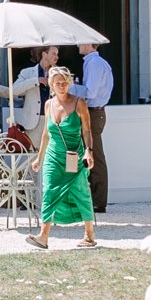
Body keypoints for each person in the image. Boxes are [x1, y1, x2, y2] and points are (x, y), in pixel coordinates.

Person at [29, 60, 97, 249]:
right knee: (49, 191)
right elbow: (46, 133)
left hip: (75, 155)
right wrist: (39, 158)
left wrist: (89, 152)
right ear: (51, 84)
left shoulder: (79, 103)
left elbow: (87, 131)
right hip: (53, 156)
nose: (62, 85)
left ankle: (89, 235)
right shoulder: (49, 104)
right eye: (58, 82)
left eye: (65, 82)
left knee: (81, 192)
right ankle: (43, 236)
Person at [79, 39, 114, 211]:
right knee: (92, 154)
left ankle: (98, 202)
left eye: (80, 41)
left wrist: (70, 89)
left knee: (95, 155)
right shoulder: (97, 63)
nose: (78, 44)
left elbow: (90, 92)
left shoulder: (94, 64)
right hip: (95, 112)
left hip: (93, 112)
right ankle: (94, 200)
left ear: (89, 44)